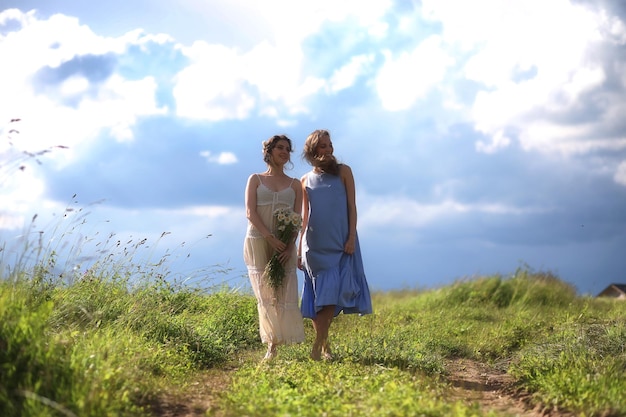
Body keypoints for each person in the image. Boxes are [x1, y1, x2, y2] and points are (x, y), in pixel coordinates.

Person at [298, 129, 373, 361]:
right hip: (314, 246)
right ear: (312, 150)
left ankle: (317, 346)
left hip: (340, 243)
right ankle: (325, 346)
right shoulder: (304, 180)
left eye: (330, 145)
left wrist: (351, 237)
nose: (329, 150)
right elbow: (304, 217)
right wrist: (299, 249)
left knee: (330, 295)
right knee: (318, 297)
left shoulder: (344, 172)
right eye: (323, 146)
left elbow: (352, 207)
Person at [244, 134, 305, 360]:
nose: (284, 152)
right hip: (259, 239)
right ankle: (271, 344)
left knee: (283, 289)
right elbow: (250, 212)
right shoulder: (255, 179)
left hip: (285, 243)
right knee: (265, 292)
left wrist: (290, 245)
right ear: (269, 151)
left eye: (288, 149)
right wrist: (270, 237)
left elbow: (297, 217)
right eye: (280, 147)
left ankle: (280, 341)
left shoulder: (295, 184)